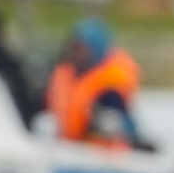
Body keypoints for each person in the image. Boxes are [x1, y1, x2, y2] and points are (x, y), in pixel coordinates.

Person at [47, 19, 143, 147]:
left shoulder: (110, 88)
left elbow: (114, 122)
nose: (77, 55)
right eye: (74, 49)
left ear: (96, 50)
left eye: (82, 50)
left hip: (102, 150)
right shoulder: (65, 76)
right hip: (70, 146)